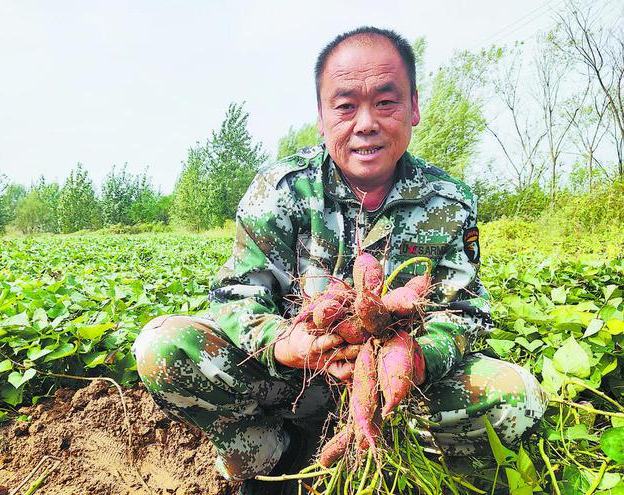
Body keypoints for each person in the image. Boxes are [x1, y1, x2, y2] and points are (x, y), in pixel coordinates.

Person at [133, 26, 547, 494]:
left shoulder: (448, 201)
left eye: (385, 102)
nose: (365, 123)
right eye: (346, 106)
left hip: (398, 388)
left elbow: (465, 312)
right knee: (163, 348)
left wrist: (415, 358)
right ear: (322, 116)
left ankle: (388, 453)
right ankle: (272, 453)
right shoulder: (280, 189)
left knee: (518, 398)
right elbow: (235, 299)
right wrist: (287, 342)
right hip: (292, 380)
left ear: (413, 107)